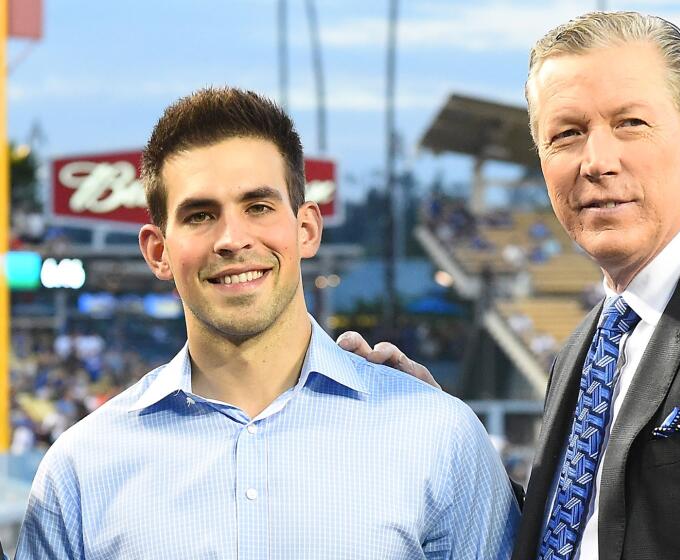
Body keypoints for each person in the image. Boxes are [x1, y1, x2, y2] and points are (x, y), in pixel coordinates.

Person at [338, 11, 680, 560]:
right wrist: (441, 427)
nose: (596, 162)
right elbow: (572, 540)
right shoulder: (585, 347)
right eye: (567, 134)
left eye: (630, 123)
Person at [16, 87, 519, 559]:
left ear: (306, 229)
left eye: (257, 206)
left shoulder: (439, 435)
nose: (232, 238)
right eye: (199, 215)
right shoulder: (80, 472)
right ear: (157, 251)